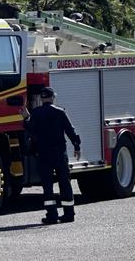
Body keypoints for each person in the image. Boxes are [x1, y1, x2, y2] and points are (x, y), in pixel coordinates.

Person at [20, 87, 81, 224]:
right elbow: (70, 130)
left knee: (47, 185)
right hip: (59, 153)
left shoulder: (36, 113)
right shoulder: (60, 112)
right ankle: (69, 214)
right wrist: (77, 146)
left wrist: (26, 118)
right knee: (64, 183)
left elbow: (30, 130)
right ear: (53, 97)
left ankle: (52, 215)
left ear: (42, 98)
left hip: (43, 154)